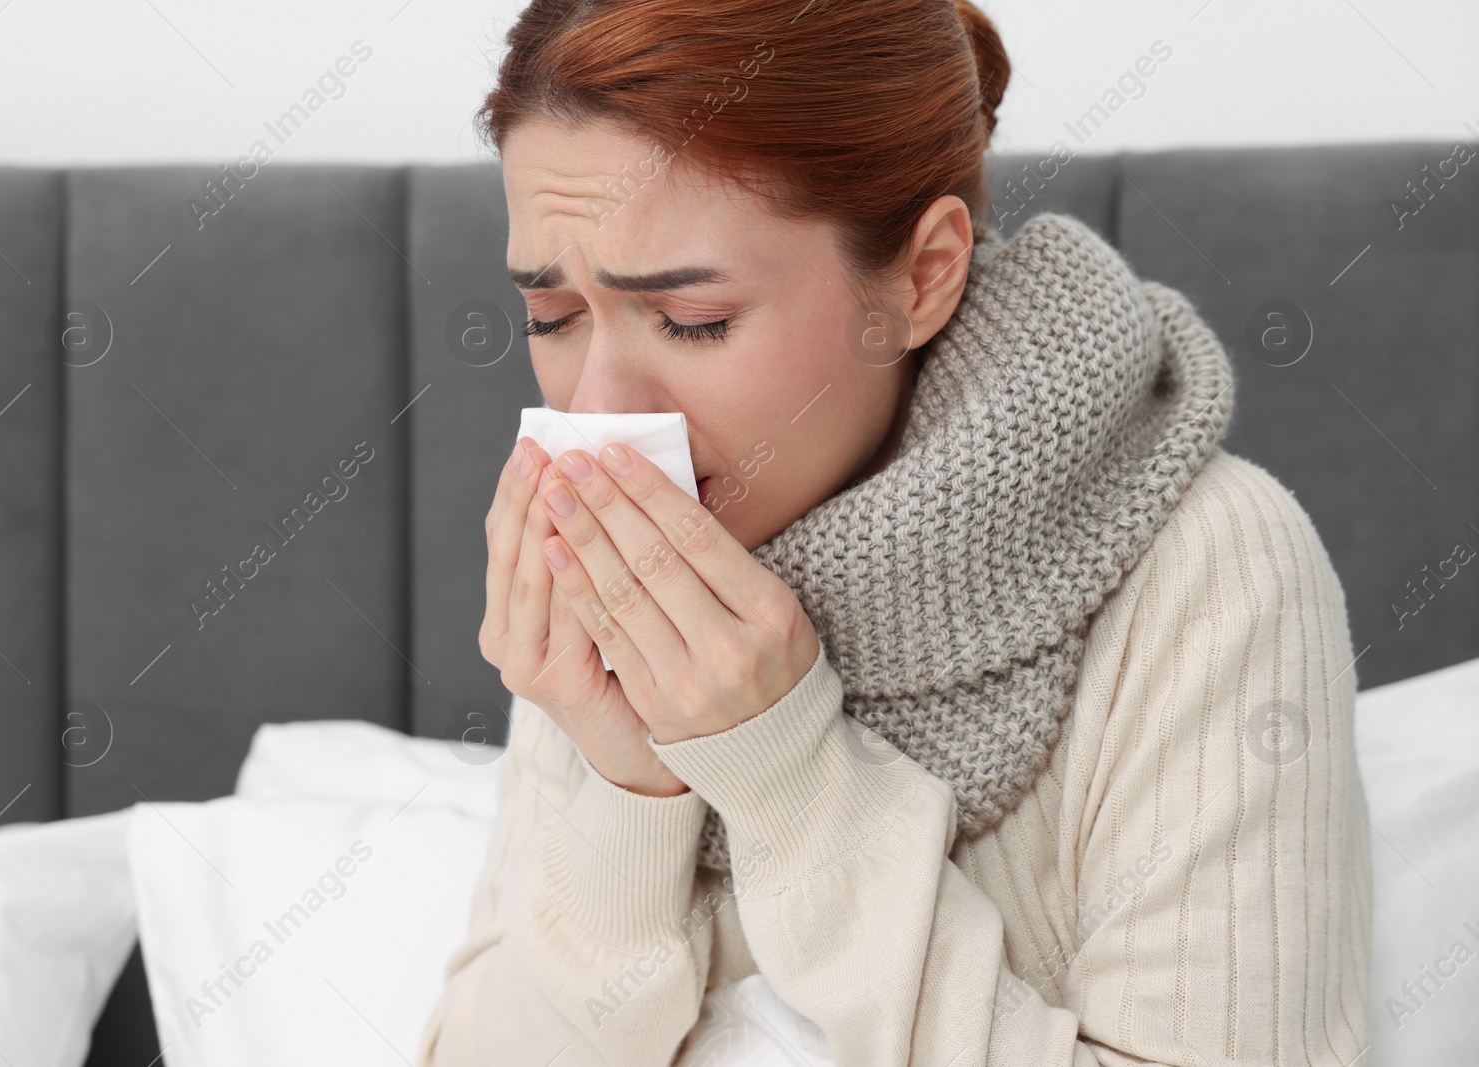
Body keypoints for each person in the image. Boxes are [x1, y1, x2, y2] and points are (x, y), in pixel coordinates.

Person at [416, 1, 1373, 1064]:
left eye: (692, 320)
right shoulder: (615, 567)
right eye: (552, 318)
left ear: (920, 278)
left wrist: (785, 772)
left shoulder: (1211, 574)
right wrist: (631, 787)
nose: (596, 411)